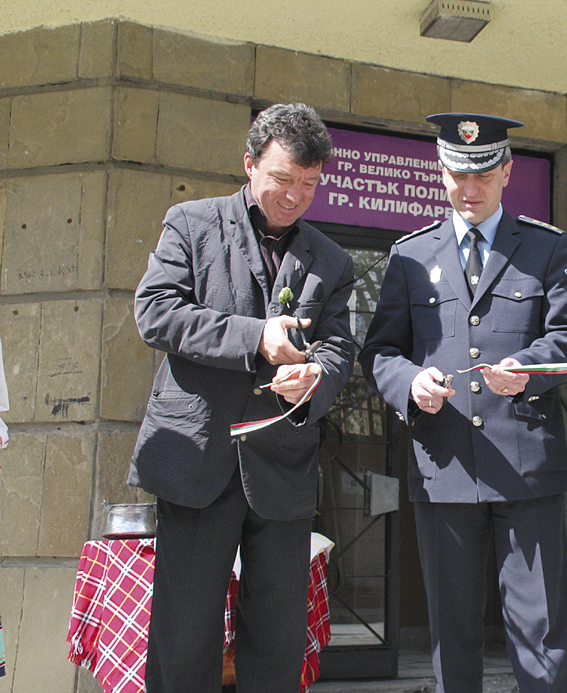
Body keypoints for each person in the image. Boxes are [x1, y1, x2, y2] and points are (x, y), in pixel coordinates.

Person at [359, 113, 567, 693]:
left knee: (541, 629)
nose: (469, 187)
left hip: (527, 468)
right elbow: (382, 350)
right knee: (452, 632)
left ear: (508, 172)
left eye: (483, 174)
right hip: (447, 467)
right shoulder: (410, 256)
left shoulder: (545, 246)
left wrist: (529, 370)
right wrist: (410, 384)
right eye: (457, 174)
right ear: (441, 174)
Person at [130, 102, 355, 693]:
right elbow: (155, 313)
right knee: (185, 633)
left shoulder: (330, 261)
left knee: (277, 638)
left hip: (283, 466)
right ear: (249, 165)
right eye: (282, 179)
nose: (294, 196)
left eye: (309, 185)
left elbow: (338, 351)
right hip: (197, 456)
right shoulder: (191, 223)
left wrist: (315, 381)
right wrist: (256, 337)